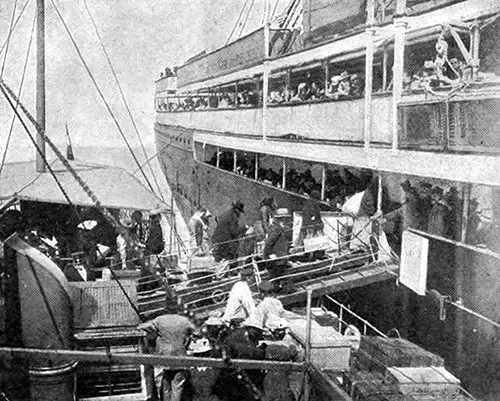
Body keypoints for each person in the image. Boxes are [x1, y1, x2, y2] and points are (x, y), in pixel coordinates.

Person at [137, 306, 194, 401]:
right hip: (180, 356)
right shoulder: (184, 320)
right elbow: (193, 333)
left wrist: (143, 325)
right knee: (178, 387)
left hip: (165, 357)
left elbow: (143, 327)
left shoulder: (160, 320)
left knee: (166, 386)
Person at [262, 208, 292, 279]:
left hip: (280, 257)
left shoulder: (275, 226)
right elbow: (269, 242)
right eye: (285, 218)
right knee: (278, 277)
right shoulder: (277, 228)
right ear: (282, 218)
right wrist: (270, 254)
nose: (286, 220)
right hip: (277, 259)